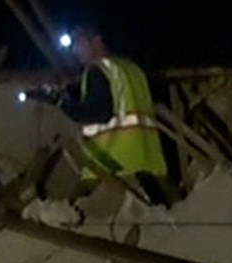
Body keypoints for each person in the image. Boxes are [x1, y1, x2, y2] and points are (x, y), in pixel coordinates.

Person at [36, 24, 168, 194]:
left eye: (79, 43)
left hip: (110, 166)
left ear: (96, 41)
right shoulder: (132, 69)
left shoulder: (97, 70)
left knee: (75, 207)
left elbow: (96, 112)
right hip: (149, 166)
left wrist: (61, 102)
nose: (75, 51)